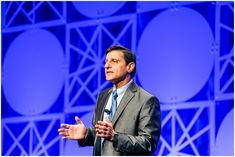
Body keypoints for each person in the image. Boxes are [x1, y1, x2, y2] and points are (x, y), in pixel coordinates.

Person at [58, 45, 161, 155]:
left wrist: (115, 137)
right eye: (106, 61)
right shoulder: (103, 96)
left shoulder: (146, 100)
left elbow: (148, 143)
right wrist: (86, 134)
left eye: (114, 61)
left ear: (130, 67)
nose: (107, 66)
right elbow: (101, 136)